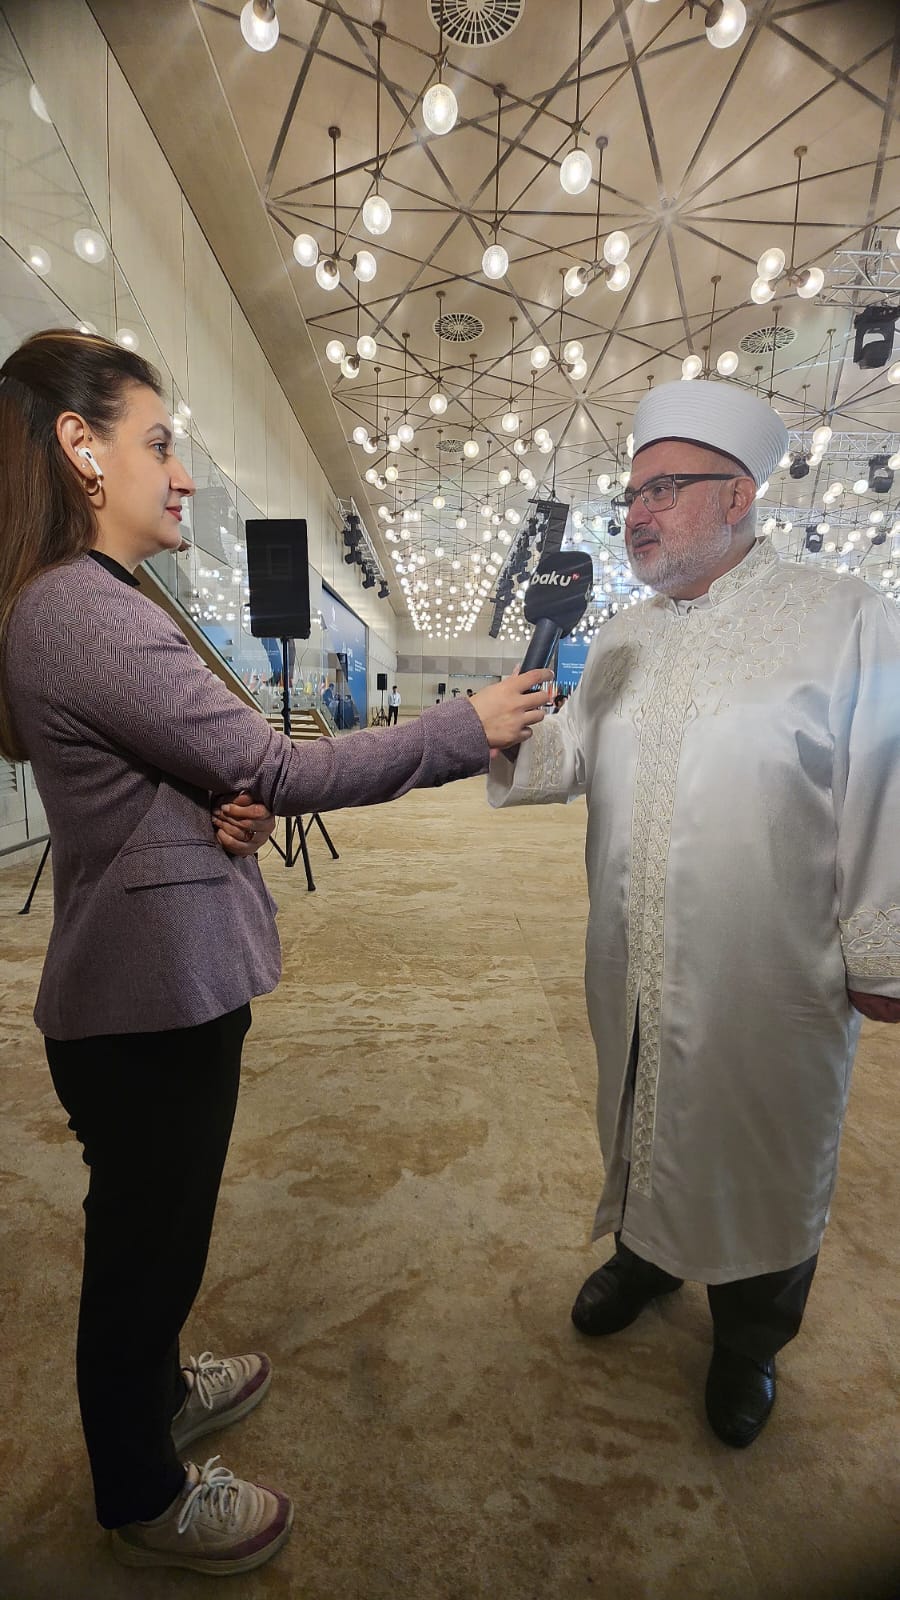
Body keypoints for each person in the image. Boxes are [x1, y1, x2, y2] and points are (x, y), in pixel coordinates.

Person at [0, 329, 551, 1576]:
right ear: (81, 448)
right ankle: (142, 1491)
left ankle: (160, 1392)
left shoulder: (99, 601)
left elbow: (174, 773)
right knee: (143, 1256)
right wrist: (459, 727)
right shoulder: (80, 608)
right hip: (142, 1003)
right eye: (159, 442)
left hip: (159, 981)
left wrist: (214, 805)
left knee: (162, 1234)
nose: (183, 473)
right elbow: (271, 760)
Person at [489, 379, 900, 1449]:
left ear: (737, 495)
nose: (636, 514)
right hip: (630, 953)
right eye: (630, 495)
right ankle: (646, 1258)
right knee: (642, 1106)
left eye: (662, 490)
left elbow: (884, 792)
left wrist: (881, 951)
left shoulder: (844, 619)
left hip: (772, 972)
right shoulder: (619, 638)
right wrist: (519, 689)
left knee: (763, 1144)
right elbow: (558, 763)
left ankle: (751, 1338)